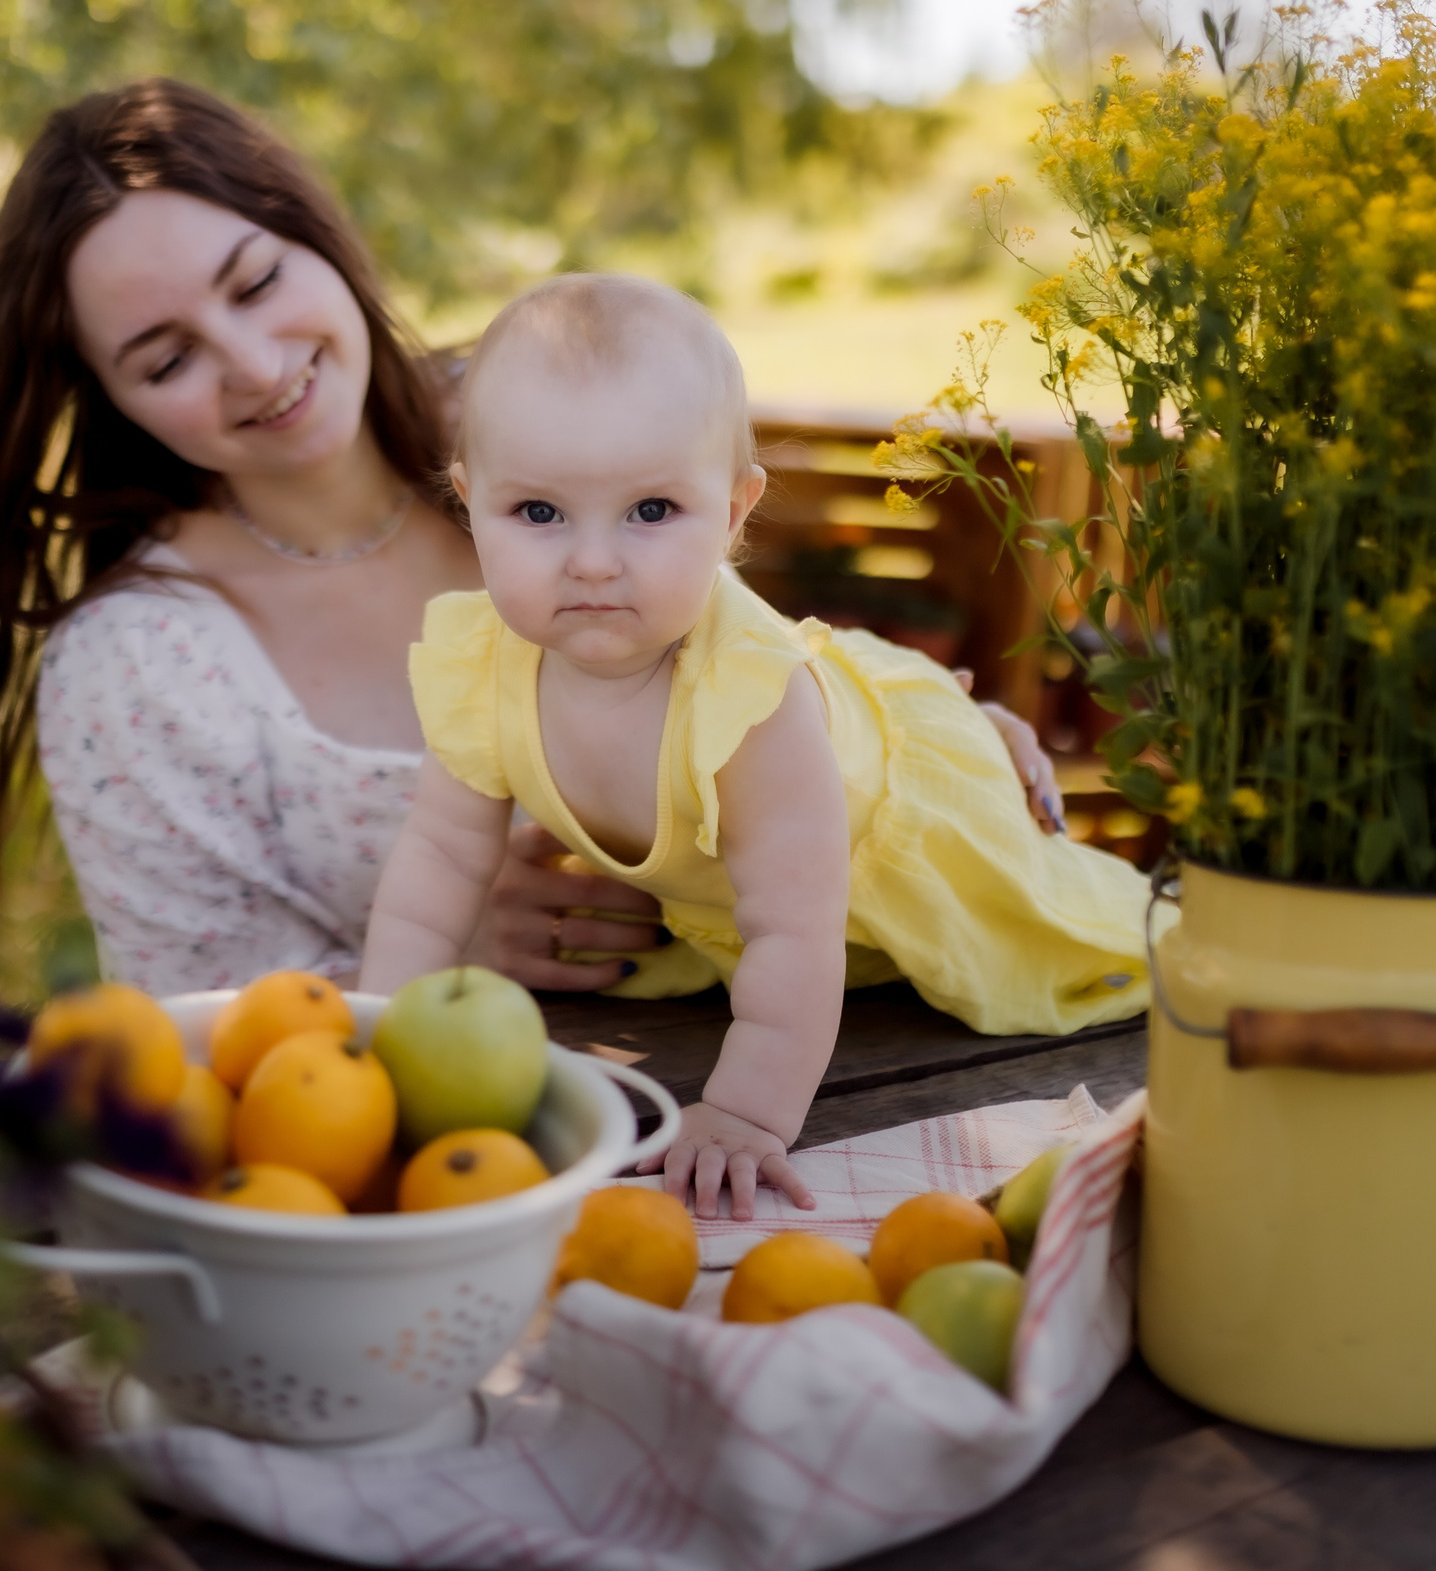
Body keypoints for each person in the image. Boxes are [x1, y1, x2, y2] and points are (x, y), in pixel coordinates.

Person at [0, 78, 1065, 1001]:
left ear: (313, 239)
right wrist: (454, 956)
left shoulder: (528, 418)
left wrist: (927, 750)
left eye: (255, 283)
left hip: (829, 1056)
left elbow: (752, 651)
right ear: (114, 400)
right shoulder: (138, 668)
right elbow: (191, 1030)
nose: (255, 366)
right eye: (166, 358)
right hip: (473, 1160)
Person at [357, 275, 1149, 1219]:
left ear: (734, 512)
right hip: (744, 883)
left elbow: (795, 927)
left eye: (651, 511)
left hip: (895, 818)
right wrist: (378, 1037)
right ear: (469, 502)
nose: (595, 560)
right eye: (538, 512)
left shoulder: (751, 704)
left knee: (1062, 941)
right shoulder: (477, 664)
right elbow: (438, 862)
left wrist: (743, 1112)